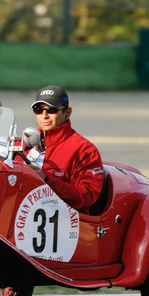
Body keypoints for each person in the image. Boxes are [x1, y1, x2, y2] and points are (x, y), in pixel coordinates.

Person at [23, 85, 104, 214]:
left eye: (52, 110)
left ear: (67, 112)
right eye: (38, 110)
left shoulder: (85, 150)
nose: (44, 115)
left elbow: (87, 197)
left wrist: (46, 180)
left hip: (65, 223)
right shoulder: (22, 144)